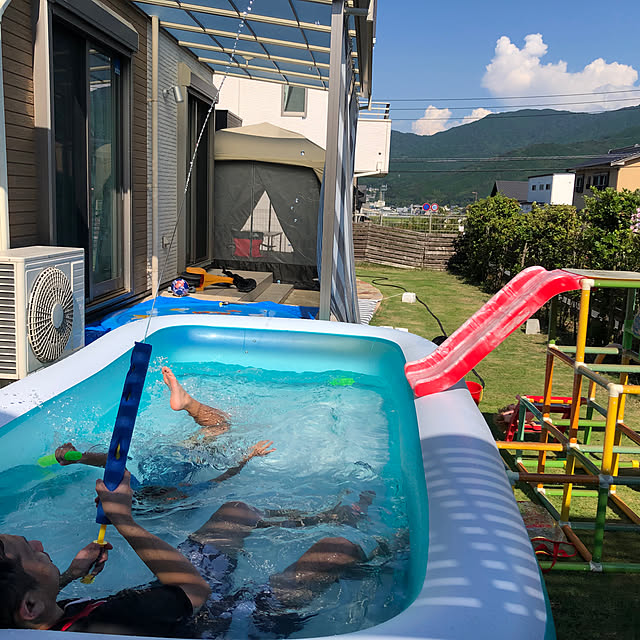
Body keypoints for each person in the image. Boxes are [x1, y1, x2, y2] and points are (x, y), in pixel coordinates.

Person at [0, 472, 382, 636]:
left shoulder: (30, 620)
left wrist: (67, 576)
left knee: (237, 512)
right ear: (29, 605)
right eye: (30, 552)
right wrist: (124, 520)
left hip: (178, 600)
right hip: (222, 624)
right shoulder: (107, 625)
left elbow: (35, 608)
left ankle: (331, 515)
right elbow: (195, 590)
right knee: (337, 550)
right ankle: (390, 551)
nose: (39, 546)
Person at [54, 364, 275, 494]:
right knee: (222, 425)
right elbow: (110, 461)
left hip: (182, 456)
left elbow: (222, 478)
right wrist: (77, 457)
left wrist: (249, 456)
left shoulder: (181, 491)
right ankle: (187, 402)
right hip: (161, 454)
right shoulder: (139, 487)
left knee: (222, 425)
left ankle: (187, 402)